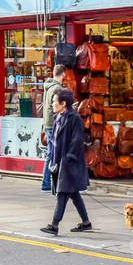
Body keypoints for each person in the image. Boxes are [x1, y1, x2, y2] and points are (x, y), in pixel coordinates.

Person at [40, 88, 92, 235]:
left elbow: (76, 140)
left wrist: (69, 157)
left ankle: (54, 225)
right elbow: (56, 143)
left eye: (55, 101)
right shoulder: (58, 118)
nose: (52, 104)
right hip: (61, 162)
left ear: (63, 103)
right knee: (73, 193)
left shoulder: (74, 118)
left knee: (62, 193)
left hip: (70, 162)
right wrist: (54, 161)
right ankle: (86, 222)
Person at [40, 65, 66, 192]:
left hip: (48, 124)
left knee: (51, 154)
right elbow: (58, 107)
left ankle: (46, 183)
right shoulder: (57, 88)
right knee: (54, 155)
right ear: (63, 74)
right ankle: (50, 184)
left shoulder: (48, 87)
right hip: (54, 124)